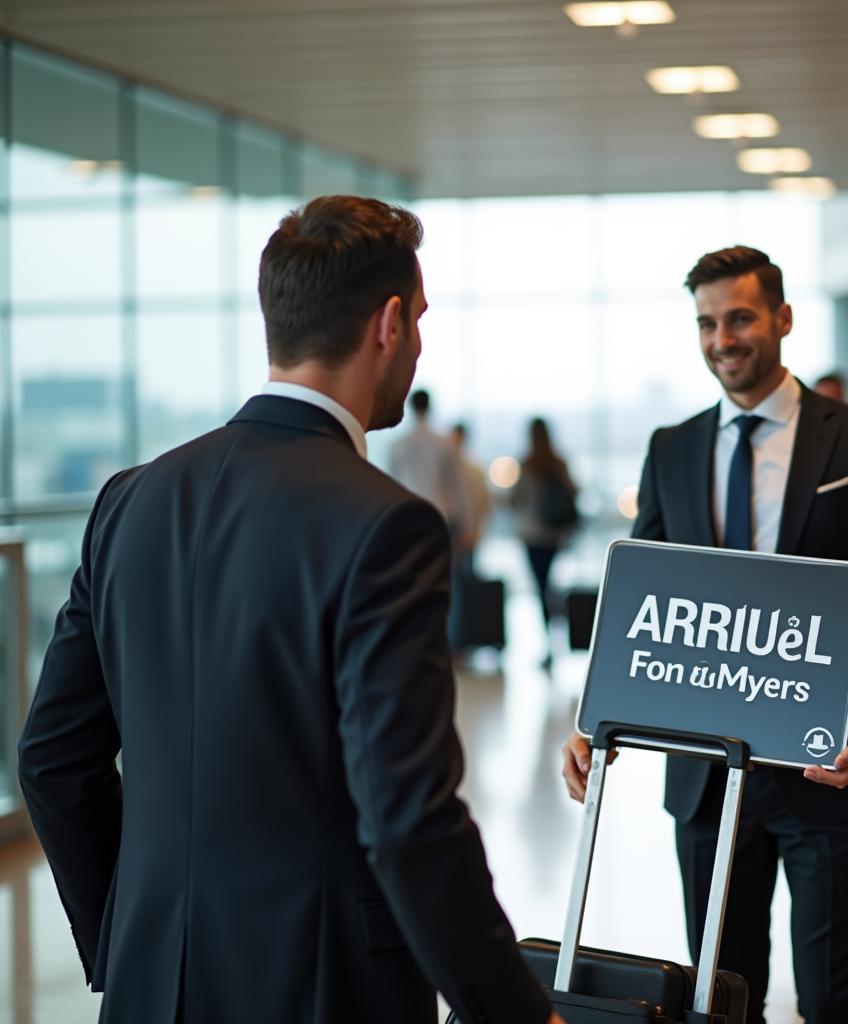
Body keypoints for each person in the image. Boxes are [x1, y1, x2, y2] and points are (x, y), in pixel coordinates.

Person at [18, 196, 560, 1024]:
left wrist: (122, 937)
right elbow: (408, 819)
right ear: (387, 324)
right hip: (323, 988)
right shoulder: (385, 525)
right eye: (417, 318)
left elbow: (53, 760)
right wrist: (517, 1011)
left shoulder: (131, 500)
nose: (417, 342)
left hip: (151, 979)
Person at [563, 246, 848, 1024]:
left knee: (833, 999)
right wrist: (588, 717)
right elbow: (640, 605)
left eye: (739, 318)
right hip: (708, 777)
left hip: (828, 764)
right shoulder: (672, 448)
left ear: (783, 319)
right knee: (721, 998)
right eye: (706, 323)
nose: (721, 339)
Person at [512, 417, 578, 663]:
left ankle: (550, 639)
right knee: (550, 586)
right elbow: (574, 493)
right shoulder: (558, 462)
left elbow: (515, 499)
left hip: (532, 535)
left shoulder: (527, 464)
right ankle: (558, 633)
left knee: (542, 588)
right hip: (555, 535)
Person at [389, 388, 471, 547]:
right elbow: (458, 486)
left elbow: (391, 484)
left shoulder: (398, 445)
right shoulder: (445, 444)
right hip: (440, 516)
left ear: (410, 407)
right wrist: (467, 524)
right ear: (430, 407)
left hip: (407, 516)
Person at [451, 421, 493, 572]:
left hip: (462, 529)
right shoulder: (472, 468)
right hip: (462, 528)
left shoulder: (471, 469)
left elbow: (482, 502)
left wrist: (473, 530)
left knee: (461, 573)